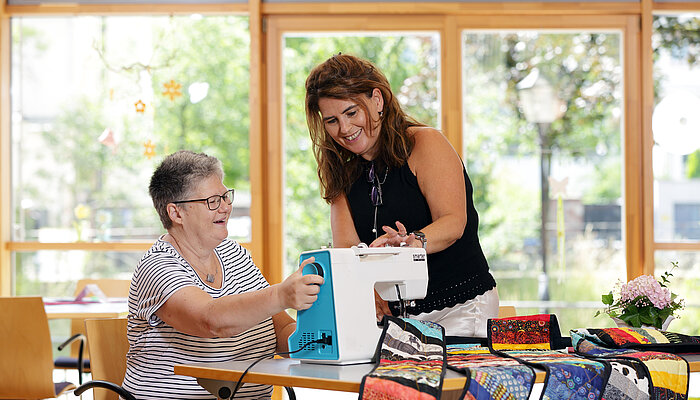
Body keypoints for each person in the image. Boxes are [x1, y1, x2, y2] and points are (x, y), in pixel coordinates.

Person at [305, 53, 498, 338]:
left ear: (377, 100)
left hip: (460, 307)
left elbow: (453, 223)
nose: (344, 129)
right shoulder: (341, 171)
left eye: (351, 113)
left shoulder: (425, 142)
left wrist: (411, 243)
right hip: (392, 318)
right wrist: (368, 287)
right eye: (332, 120)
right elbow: (347, 250)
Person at [122, 150, 323, 399]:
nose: (226, 207)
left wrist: (323, 341)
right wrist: (281, 294)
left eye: (225, 197)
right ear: (176, 213)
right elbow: (210, 320)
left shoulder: (234, 254)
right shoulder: (158, 266)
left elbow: (279, 328)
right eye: (212, 201)